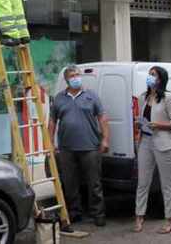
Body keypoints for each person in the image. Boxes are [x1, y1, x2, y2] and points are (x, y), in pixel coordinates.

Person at [49, 65, 110, 229]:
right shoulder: (59, 98)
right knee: (70, 183)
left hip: (90, 147)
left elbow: (102, 118)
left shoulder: (91, 96)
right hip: (66, 149)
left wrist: (105, 140)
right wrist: (50, 143)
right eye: (72, 76)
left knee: (94, 183)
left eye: (77, 74)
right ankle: (74, 213)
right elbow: (52, 122)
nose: (76, 78)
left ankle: (98, 214)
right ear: (67, 80)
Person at [134, 66, 171, 234]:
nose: (150, 77)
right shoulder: (143, 97)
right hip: (145, 141)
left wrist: (159, 125)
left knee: (167, 183)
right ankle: (139, 217)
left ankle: (170, 220)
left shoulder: (168, 98)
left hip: (163, 143)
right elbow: (143, 118)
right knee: (142, 182)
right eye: (149, 74)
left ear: (161, 79)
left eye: (153, 74)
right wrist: (139, 123)